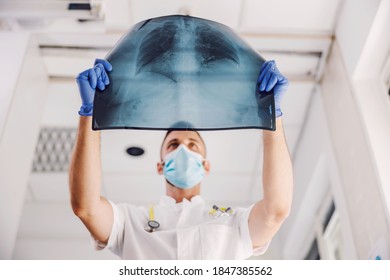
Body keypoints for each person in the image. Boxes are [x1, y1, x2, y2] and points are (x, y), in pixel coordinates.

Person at [69, 59, 293, 259]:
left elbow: (276, 211)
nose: (183, 150)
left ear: (206, 166)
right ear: (160, 166)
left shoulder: (233, 222)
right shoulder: (130, 222)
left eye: (192, 145)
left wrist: (272, 116)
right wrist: (89, 115)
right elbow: (86, 208)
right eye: (173, 145)